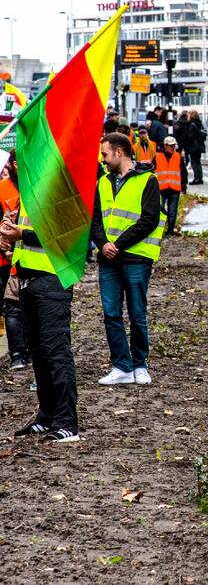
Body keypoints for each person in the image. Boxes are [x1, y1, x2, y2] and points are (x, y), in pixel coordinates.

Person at [1, 169, 80, 442]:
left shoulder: (58, 191)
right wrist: (9, 239)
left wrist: (22, 233)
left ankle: (67, 422)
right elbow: (26, 234)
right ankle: (47, 416)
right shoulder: (31, 193)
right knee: (39, 352)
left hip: (52, 281)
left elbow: (62, 234)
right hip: (28, 279)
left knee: (55, 351)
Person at [92, 132, 166, 386]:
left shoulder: (148, 179)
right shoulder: (102, 182)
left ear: (119, 152)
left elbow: (149, 219)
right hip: (109, 258)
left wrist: (116, 245)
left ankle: (139, 364)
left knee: (137, 314)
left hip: (135, 257)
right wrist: (102, 244)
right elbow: (95, 219)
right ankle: (122, 366)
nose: (102, 159)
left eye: (105, 154)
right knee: (111, 313)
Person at [0, 153, 27, 371]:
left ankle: (27, 350)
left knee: (29, 306)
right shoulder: (3, 189)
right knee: (12, 306)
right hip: (5, 260)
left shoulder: (37, 186)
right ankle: (17, 353)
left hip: (30, 258)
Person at [155, 135, 187, 235]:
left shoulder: (178, 157)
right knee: (159, 207)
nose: (173, 147)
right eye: (170, 145)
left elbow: (183, 172)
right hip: (161, 188)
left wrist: (184, 186)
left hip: (174, 189)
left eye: (174, 145)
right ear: (165, 146)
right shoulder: (157, 156)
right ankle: (159, 229)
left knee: (172, 212)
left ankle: (170, 231)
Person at [186, 109, 206, 185]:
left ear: (191, 115)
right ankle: (200, 178)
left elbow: (190, 137)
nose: (188, 116)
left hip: (193, 147)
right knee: (198, 162)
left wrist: (187, 144)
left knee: (194, 162)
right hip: (200, 146)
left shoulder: (191, 125)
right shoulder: (200, 123)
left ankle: (196, 178)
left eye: (189, 114)